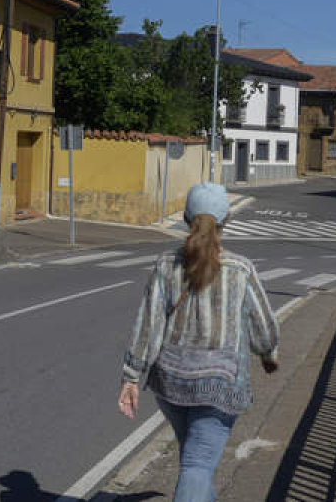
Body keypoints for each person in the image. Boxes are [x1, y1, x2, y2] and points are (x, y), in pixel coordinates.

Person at [118, 182, 279, 502]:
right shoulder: (240, 268)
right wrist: (267, 353)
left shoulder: (166, 264)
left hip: (171, 383)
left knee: (195, 462)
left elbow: (148, 325)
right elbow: (264, 326)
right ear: (226, 219)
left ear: (186, 216)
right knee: (197, 464)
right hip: (221, 384)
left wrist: (131, 376)